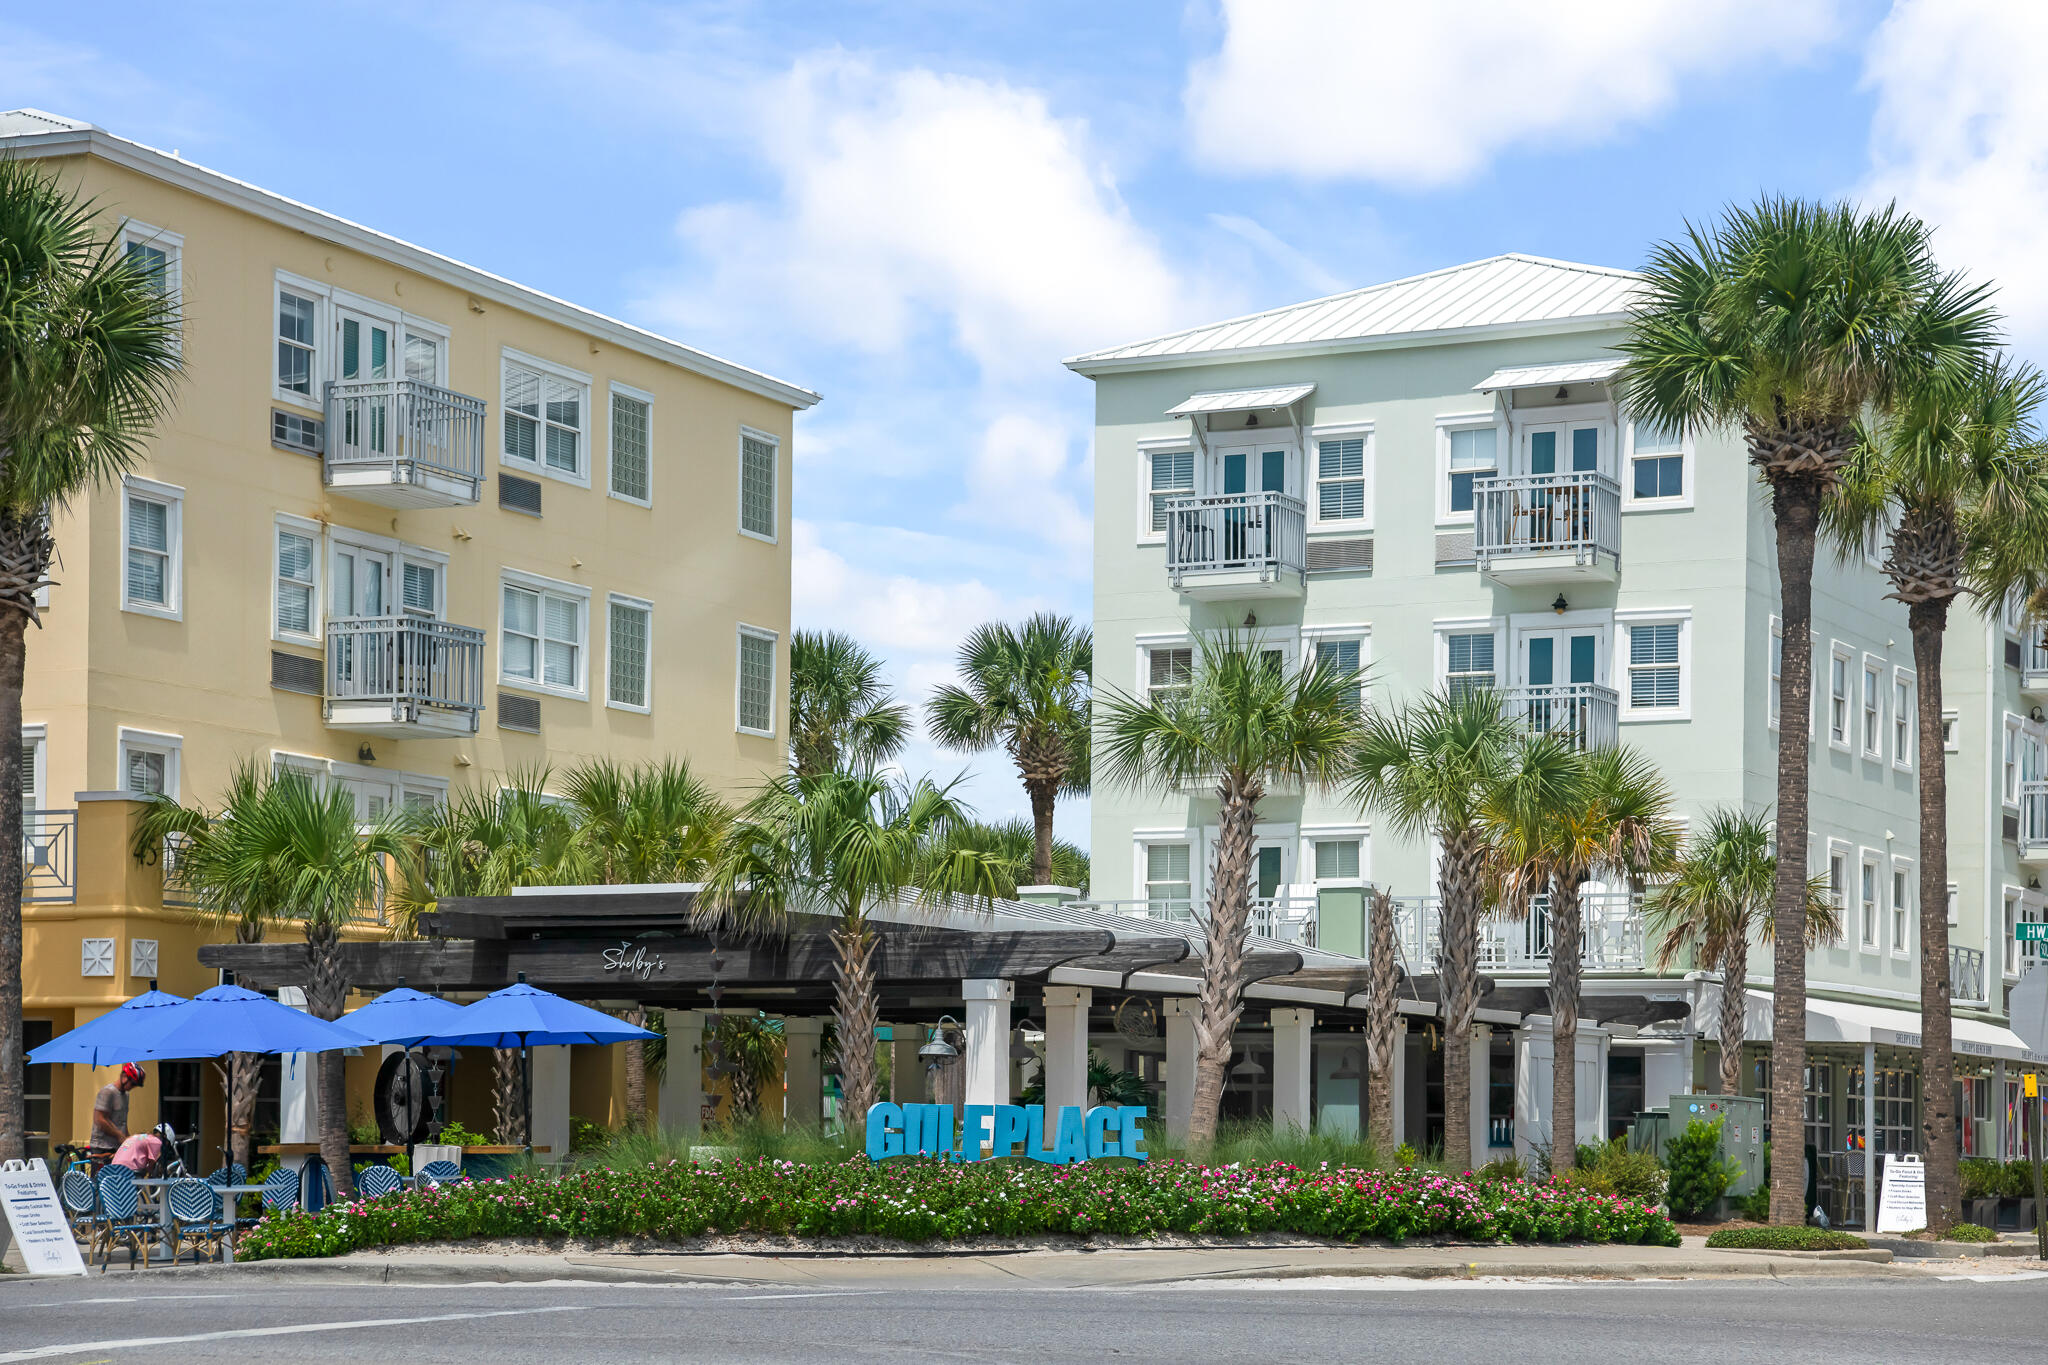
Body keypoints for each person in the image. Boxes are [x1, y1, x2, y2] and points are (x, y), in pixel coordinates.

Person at [89, 1063, 146, 1155]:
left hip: (117, 1146)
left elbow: (122, 1122)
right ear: (124, 1077)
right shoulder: (108, 1092)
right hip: (102, 1147)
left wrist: (128, 1139)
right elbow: (99, 1119)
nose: (133, 1087)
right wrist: (119, 1135)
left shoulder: (126, 1095)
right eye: (133, 1084)